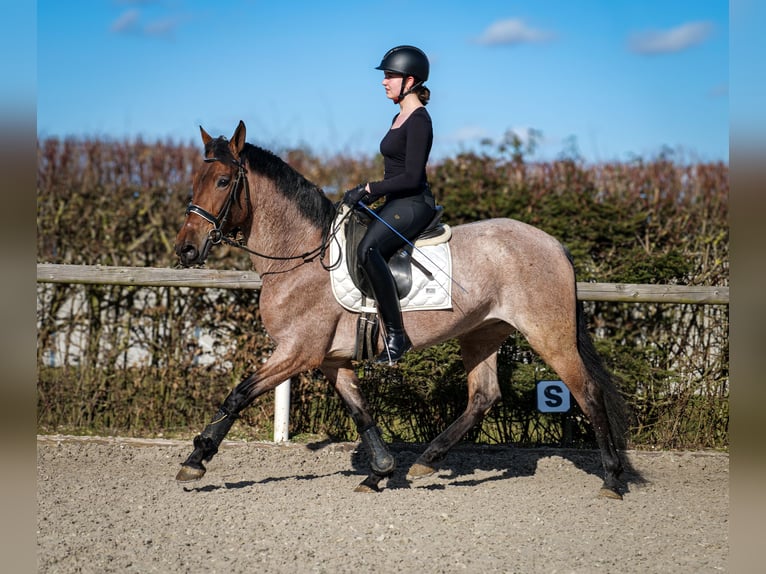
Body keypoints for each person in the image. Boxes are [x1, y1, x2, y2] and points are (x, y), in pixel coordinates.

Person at [343, 45, 437, 365]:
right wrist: (367, 197)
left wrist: (370, 187)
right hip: (396, 201)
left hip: (414, 203)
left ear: (409, 81)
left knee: (368, 250)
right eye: (385, 76)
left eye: (390, 76)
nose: (384, 82)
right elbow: (394, 173)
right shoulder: (398, 117)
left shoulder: (420, 121)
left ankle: (397, 337)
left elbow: (411, 177)